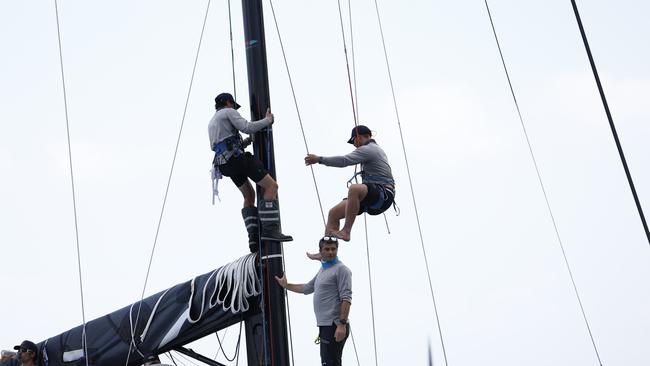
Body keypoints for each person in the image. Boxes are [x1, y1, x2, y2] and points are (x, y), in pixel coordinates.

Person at [208, 92, 292, 252]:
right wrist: (267, 120)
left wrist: (246, 142)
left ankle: (253, 237)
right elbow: (247, 127)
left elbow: (222, 145)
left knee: (249, 196)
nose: (234, 108)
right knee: (271, 186)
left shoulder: (212, 122)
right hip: (237, 159)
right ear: (228, 102)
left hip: (224, 165)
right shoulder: (228, 112)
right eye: (233, 105)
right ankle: (270, 230)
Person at [305, 125, 395, 243]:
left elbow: (344, 161)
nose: (354, 145)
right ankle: (326, 252)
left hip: (383, 195)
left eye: (353, 141)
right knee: (333, 213)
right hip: (373, 195)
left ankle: (346, 231)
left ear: (359, 137)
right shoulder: (373, 149)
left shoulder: (370, 149)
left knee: (354, 189)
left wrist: (319, 159)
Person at [275, 237, 352, 366]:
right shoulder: (323, 270)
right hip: (325, 326)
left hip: (335, 325)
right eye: (327, 249)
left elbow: (346, 298)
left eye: (333, 249)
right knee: (327, 362)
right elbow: (306, 288)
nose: (330, 252)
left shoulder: (342, 269)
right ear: (321, 251)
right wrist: (286, 285)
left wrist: (342, 325)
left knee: (331, 363)